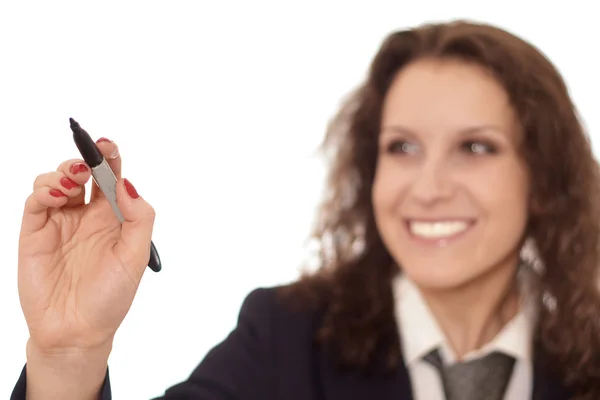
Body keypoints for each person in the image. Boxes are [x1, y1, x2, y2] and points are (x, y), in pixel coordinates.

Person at [10, 19, 600, 400]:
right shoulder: (285, 340)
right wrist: (68, 356)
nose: (428, 186)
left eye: (475, 147)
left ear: (543, 179)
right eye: (403, 148)